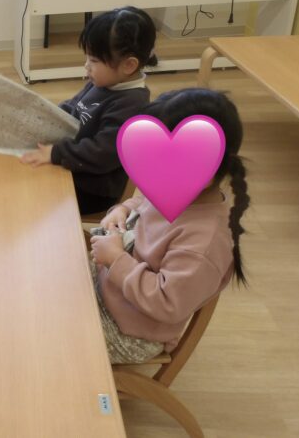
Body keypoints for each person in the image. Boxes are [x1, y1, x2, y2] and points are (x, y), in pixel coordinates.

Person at [89, 88, 250, 364]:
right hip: (108, 289)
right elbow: (142, 201)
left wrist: (116, 260)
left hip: (130, 333)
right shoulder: (174, 188)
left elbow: (167, 303)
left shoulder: (205, 242)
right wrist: (122, 211)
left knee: (47, 332)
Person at [20, 6, 157, 215]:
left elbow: (101, 153)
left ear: (128, 65)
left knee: (29, 189)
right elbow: (73, 106)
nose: (86, 66)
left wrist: (56, 153)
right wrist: (46, 117)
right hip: (73, 161)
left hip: (93, 189)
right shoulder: (105, 81)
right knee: (19, 169)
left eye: (94, 60)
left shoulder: (132, 105)